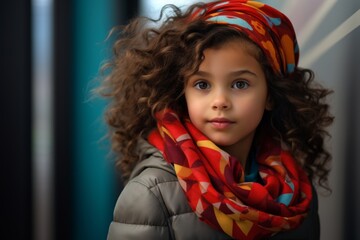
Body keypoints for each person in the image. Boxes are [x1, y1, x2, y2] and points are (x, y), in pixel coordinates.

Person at [101, 1, 334, 239]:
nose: (220, 101)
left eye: (240, 84)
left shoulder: (297, 193)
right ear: (183, 94)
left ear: (271, 95)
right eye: (202, 84)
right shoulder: (150, 196)